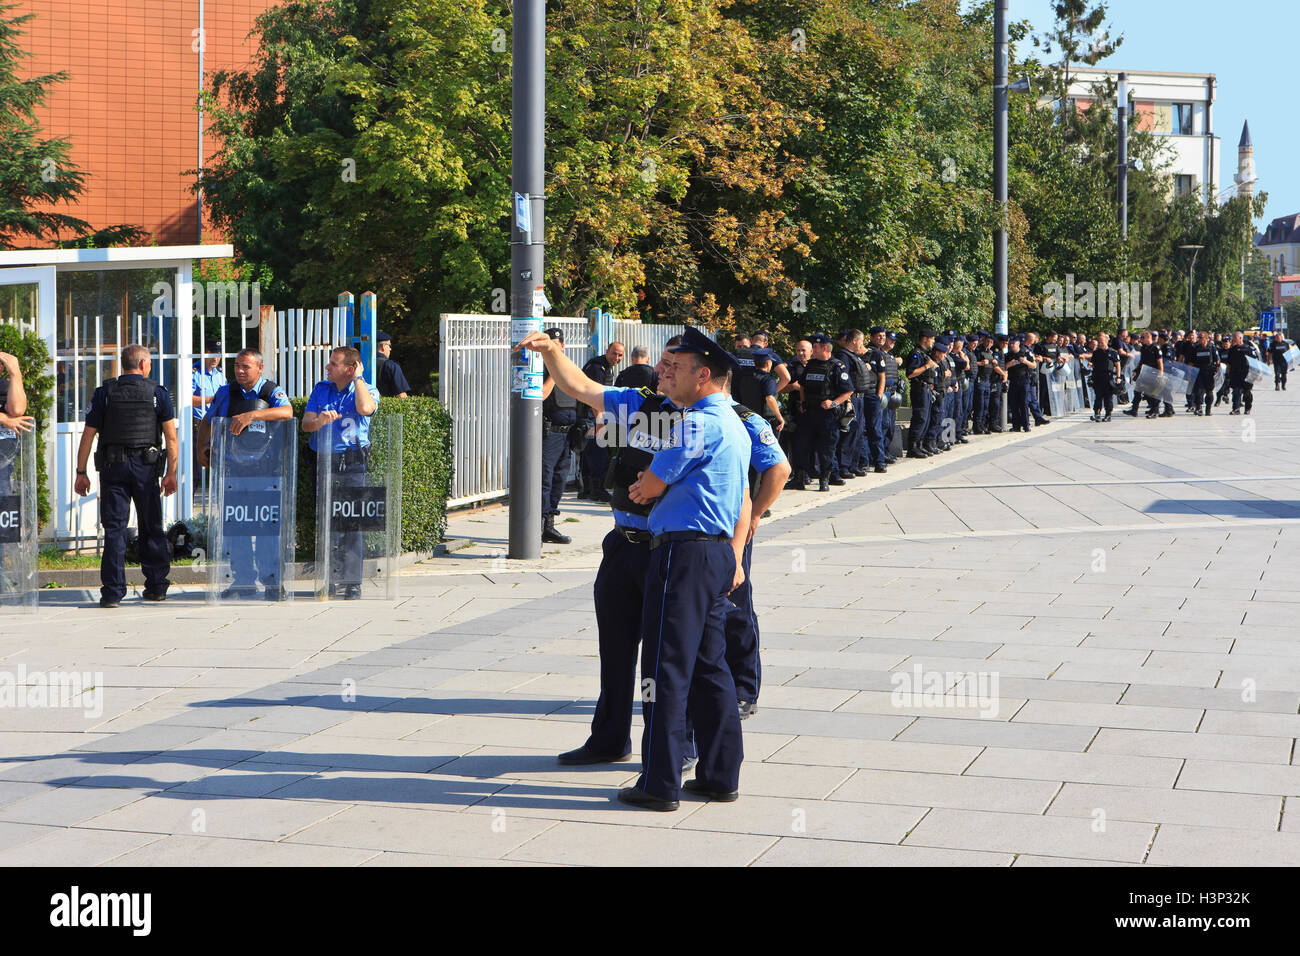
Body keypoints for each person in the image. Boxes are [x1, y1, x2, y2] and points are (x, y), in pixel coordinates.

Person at [621, 326, 751, 810]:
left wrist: (646, 485)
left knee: (665, 666)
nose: (665, 375)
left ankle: (658, 782)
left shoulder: (697, 422)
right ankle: (719, 774)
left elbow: (653, 483)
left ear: (705, 375)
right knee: (709, 666)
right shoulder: (733, 421)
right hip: (714, 553)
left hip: (683, 554)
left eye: (675, 369)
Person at [73, 345, 179, 608]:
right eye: (150, 363)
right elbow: (171, 437)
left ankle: (112, 592)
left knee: (115, 530)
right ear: (143, 365)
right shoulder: (158, 394)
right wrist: (171, 473)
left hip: (113, 468)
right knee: (151, 526)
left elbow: (88, 436)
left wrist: (81, 472)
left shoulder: (105, 393)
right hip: (146, 468)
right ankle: (156, 587)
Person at [197, 348, 293, 599]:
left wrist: (253, 415)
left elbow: (287, 412)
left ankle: (272, 582)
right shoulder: (225, 392)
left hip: (265, 472)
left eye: (245, 367)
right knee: (236, 527)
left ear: (259, 368)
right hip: (234, 471)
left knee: (265, 528)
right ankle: (243, 580)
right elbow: (208, 421)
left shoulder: (271, 391)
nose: (240, 371)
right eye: (237, 366)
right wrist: (201, 449)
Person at [301, 346, 377, 599]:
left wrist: (358, 379)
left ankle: (352, 581)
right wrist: (320, 421)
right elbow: (306, 424)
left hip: (353, 463)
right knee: (329, 522)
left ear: (350, 368)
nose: (328, 367)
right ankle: (330, 577)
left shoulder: (365, 388)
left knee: (352, 522)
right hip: (325, 461)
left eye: (334, 364)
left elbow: (366, 409)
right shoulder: (322, 389)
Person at [791, 334, 853, 490]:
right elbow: (803, 385)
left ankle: (824, 480)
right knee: (803, 445)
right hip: (809, 413)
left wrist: (833, 403)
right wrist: (803, 402)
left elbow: (848, 390)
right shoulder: (811, 365)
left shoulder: (837, 366)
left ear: (824, 348)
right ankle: (801, 478)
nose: (813, 349)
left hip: (827, 416)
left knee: (826, 448)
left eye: (815, 347)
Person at [537, 328, 577, 543]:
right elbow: (541, 395)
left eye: (558, 343)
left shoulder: (569, 367)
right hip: (550, 433)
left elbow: (580, 392)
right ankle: (540, 526)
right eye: (550, 343)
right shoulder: (541, 368)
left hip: (567, 434)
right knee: (545, 480)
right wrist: (554, 373)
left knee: (560, 480)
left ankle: (550, 524)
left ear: (562, 345)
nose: (555, 346)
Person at [578, 342, 624, 502]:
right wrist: (599, 421)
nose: (616, 358)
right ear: (607, 352)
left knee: (590, 453)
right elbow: (594, 398)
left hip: (594, 416)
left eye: (620, 355)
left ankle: (587, 490)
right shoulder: (597, 368)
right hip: (592, 416)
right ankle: (596, 490)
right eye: (614, 353)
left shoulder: (605, 366)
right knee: (597, 453)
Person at [833, 329, 869, 478]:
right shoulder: (843, 357)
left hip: (860, 398)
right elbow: (844, 381)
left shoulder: (853, 356)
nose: (862, 344)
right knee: (849, 432)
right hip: (851, 399)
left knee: (857, 432)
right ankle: (844, 466)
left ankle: (853, 464)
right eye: (861, 341)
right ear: (854, 341)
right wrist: (847, 401)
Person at [859, 327, 890, 473]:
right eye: (879, 336)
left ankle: (879, 461)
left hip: (872, 395)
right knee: (862, 429)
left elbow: (882, 375)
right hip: (859, 396)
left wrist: (879, 394)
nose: (882, 338)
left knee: (875, 429)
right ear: (870, 337)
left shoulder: (876, 354)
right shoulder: (856, 355)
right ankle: (864, 461)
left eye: (883, 336)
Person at [906, 330, 938, 457]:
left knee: (926, 418)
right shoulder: (916, 354)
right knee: (920, 417)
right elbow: (910, 373)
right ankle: (912, 447)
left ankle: (919, 445)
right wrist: (926, 366)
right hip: (919, 389)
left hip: (927, 389)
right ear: (925, 338)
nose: (933, 341)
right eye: (932, 339)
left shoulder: (926, 354)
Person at [1122, 330, 1163, 419]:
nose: (1141, 339)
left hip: (1154, 373)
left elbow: (1160, 362)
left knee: (1152, 393)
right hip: (1144, 372)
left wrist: (1160, 373)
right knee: (1137, 391)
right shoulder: (1144, 348)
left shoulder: (1156, 348)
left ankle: (1155, 410)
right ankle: (1134, 410)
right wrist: (1137, 370)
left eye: (1143, 338)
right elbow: (1142, 360)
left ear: (1148, 337)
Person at [1081, 332, 1120, 422]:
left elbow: (1118, 365)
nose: (1101, 344)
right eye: (1099, 342)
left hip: (1108, 377)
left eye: (1102, 342)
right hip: (1098, 376)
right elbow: (1093, 363)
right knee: (1098, 396)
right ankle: (1097, 413)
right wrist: (1090, 364)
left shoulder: (1113, 352)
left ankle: (1108, 414)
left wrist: (1118, 377)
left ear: (1106, 341)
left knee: (1108, 397)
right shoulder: (1096, 352)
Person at [1190, 331, 1220, 416]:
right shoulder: (1195, 348)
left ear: (1207, 338)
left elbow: (1217, 361)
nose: (1199, 339)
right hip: (1199, 372)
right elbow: (1191, 362)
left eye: (1201, 337)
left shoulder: (1212, 347)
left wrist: (1216, 372)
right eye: (1198, 337)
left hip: (1209, 372)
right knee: (1198, 391)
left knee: (1209, 392)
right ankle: (1198, 408)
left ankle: (1208, 409)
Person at [1224, 331, 1255, 416]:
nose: (1233, 340)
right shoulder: (1232, 350)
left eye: (1235, 338)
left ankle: (1248, 408)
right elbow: (1229, 363)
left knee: (1247, 392)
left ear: (1240, 338)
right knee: (1236, 391)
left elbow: (1254, 362)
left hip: (1246, 373)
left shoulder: (1248, 349)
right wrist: (1227, 373)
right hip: (1235, 373)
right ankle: (1236, 408)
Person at [375, 331, 412, 398]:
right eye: (389, 345)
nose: (390, 349)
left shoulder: (360, 364)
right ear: (383, 346)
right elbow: (401, 395)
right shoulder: (391, 366)